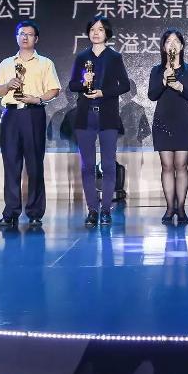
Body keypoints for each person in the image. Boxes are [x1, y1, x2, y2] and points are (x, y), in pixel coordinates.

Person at [0, 20, 61, 229]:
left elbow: (54, 90)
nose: (25, 37)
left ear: (36, 39)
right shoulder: (6, 63)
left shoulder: (45, 63)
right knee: (11, 164)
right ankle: (10, 212)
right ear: (16, 37)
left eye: (29, 34)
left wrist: (37, 99)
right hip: (11, 115)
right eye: (21, 33)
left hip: (33, 113)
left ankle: (35, 212)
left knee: (34, 164)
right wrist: (7, 85)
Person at [69, 15, 131, 227]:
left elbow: (124, 85)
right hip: (85, 116)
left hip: (107, 115)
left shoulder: (114, 57)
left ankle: (105, 210)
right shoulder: (82, 57)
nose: (96, 33)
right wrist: (82, 82)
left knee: (108, 164)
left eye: (101, 29)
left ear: (107, 34)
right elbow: (72, 85)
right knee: (87, 166)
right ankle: (92, 210)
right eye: (93, 29)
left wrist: (103, 92)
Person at [148, 29, 188, 224]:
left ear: (182, 46)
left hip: (183, 121)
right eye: (168, 41)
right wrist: (164, 81)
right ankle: (170, 208)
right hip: (163, 121)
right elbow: (152, 95)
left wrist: (180, 87)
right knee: (167, 166)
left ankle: (181, 208)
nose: (172, 44)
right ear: (163, 47)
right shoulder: (156, 70)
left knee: (181, 165)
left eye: (176, 41)